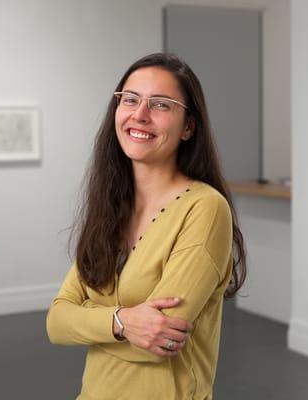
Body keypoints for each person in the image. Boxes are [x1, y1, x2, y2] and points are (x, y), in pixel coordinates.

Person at [46, 52, 247, 400]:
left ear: (188, 126)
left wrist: (90, 321)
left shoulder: (205, 209)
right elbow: (55, 322)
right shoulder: (111, 207)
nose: (139, 115)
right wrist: (123, 322)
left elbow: (160, 339)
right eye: (130, 99)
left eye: (161, 105)